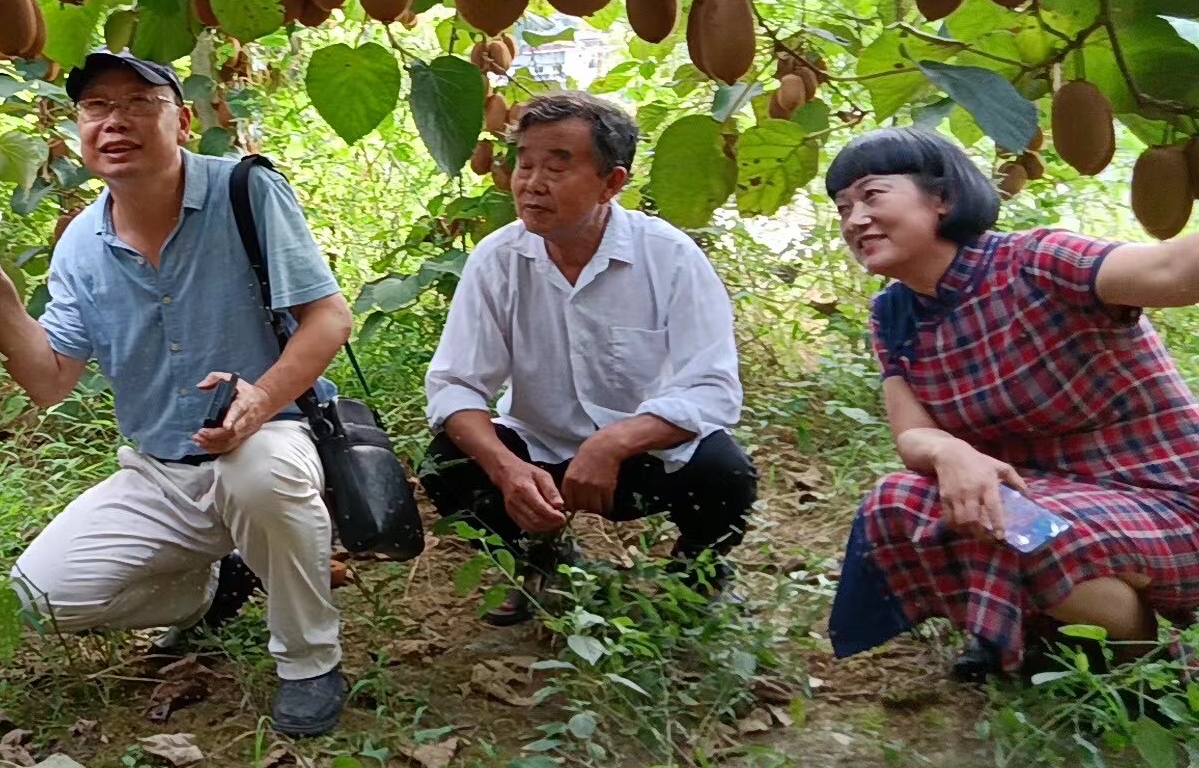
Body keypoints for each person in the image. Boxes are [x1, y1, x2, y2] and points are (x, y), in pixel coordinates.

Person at [0, 50, 356, 736]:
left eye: (139, 103)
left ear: (183, 119)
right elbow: (49, 379)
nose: (116, 122)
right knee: (37, 597)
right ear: (79, 128)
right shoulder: (80, 242)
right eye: (97, 108)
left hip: (269, 439)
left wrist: (258, 398)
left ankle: (309, 659)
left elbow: (328, 317)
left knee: (259, 474)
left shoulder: (245, 192)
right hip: (162, 470)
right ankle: (207, 587)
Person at [824, 127, 1199, 680]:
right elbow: (911, 433)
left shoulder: (1037, 260)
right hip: (1041, 497)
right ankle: (1041, 630)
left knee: (1020, 527)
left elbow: (1172, 272)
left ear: (942, 198)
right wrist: (952, 453)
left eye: (873, 195)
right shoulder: (893, 317)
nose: (856, 220)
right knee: (900, 501)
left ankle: (1138, 663)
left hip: (1164, 499)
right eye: (843, 207)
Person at [420, 91, 757, 625]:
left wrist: (614, 441)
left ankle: (697, 573)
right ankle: (541, 559)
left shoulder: (668, 257)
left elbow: (713, 389)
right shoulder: (498, 259)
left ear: (612, 183)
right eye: (524, 163)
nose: (532, 183)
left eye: (558, 165)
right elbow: (456, 384)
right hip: (540, 457)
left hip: (643, 457)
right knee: (449, 464)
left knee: (726, 473)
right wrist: (507, 469)